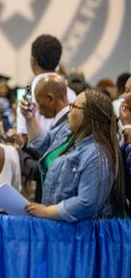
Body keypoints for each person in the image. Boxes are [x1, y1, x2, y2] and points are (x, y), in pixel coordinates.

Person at [26, 90, 126, 221]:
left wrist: (47, 211)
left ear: (88, 116)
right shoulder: (69, 132)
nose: (69, 110)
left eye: (74, 106)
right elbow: (43, 142)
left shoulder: (96, 154)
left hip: (81, 236)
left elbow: (88, 203)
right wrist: (29, 118)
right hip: (62, 229)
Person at [20, 74, 73, 201]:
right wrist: (30, 118)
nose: (37, 108)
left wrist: (23, 159)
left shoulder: (69, 125)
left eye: (38, 101)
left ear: (50, 99)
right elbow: (42, 144)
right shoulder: (60, 122)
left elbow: (51, 163)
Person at [16, 34, 76, 142]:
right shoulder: (72, 94)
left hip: (40, 156)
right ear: (58, 62)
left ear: (32, 61)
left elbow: (24, 137)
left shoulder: (27, 95)